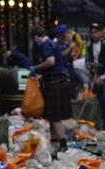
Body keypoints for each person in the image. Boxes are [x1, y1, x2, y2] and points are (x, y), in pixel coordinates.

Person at [31, 26, 74, 155]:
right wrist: (42, 75)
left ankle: (63, 144)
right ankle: (54, 143)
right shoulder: (52, 43)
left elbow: (50, 61)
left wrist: (36, 68)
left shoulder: (45, 44)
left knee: (55, 116)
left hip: (55, 83)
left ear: (36, 37)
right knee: (52, 116)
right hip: (58, 81)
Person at [87, 24, 105, 133]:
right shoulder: (89, 46)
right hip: (96, 77)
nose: (94, 34)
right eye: (92, 32)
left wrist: (102, 66)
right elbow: (88, 61)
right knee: (101, 103)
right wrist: (95, 72)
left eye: (96, 32)